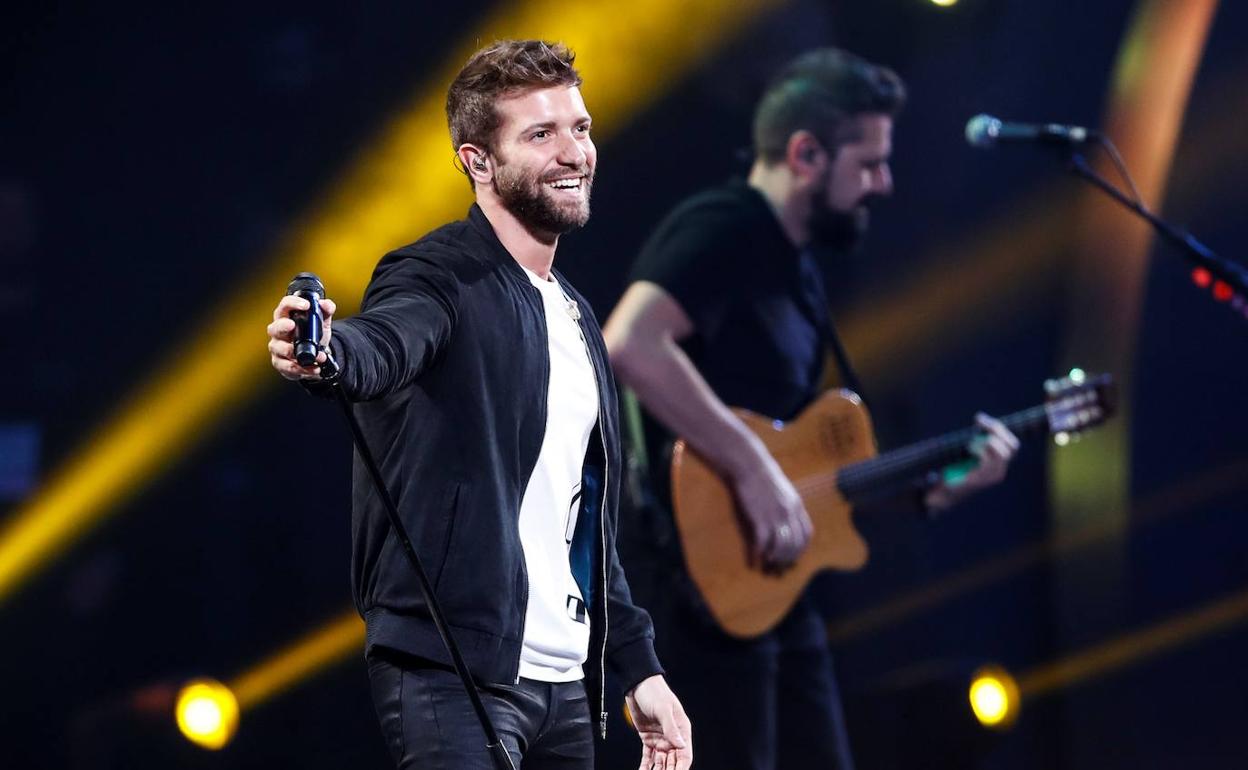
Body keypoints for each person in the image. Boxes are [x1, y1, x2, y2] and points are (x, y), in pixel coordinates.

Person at [265, 40, 691, 770]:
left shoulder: (577, 315)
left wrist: (638, 664)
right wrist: (324, 354)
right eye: (540, 134)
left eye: (580, 128)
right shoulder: (438, 276)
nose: (573, 152)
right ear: (478, 161)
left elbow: (584, 520)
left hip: (566, 686)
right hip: (454, 671)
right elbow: (384, 342)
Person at [602, 48, 1019, 769]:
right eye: (869, 163)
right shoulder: (727, 225)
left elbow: (814, 482)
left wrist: (950, 485)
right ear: (805, 153)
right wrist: (753, 468)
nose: (884, 183)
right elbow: (630, 342)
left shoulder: (797, 269)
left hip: (774, 594)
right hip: (696, 595)